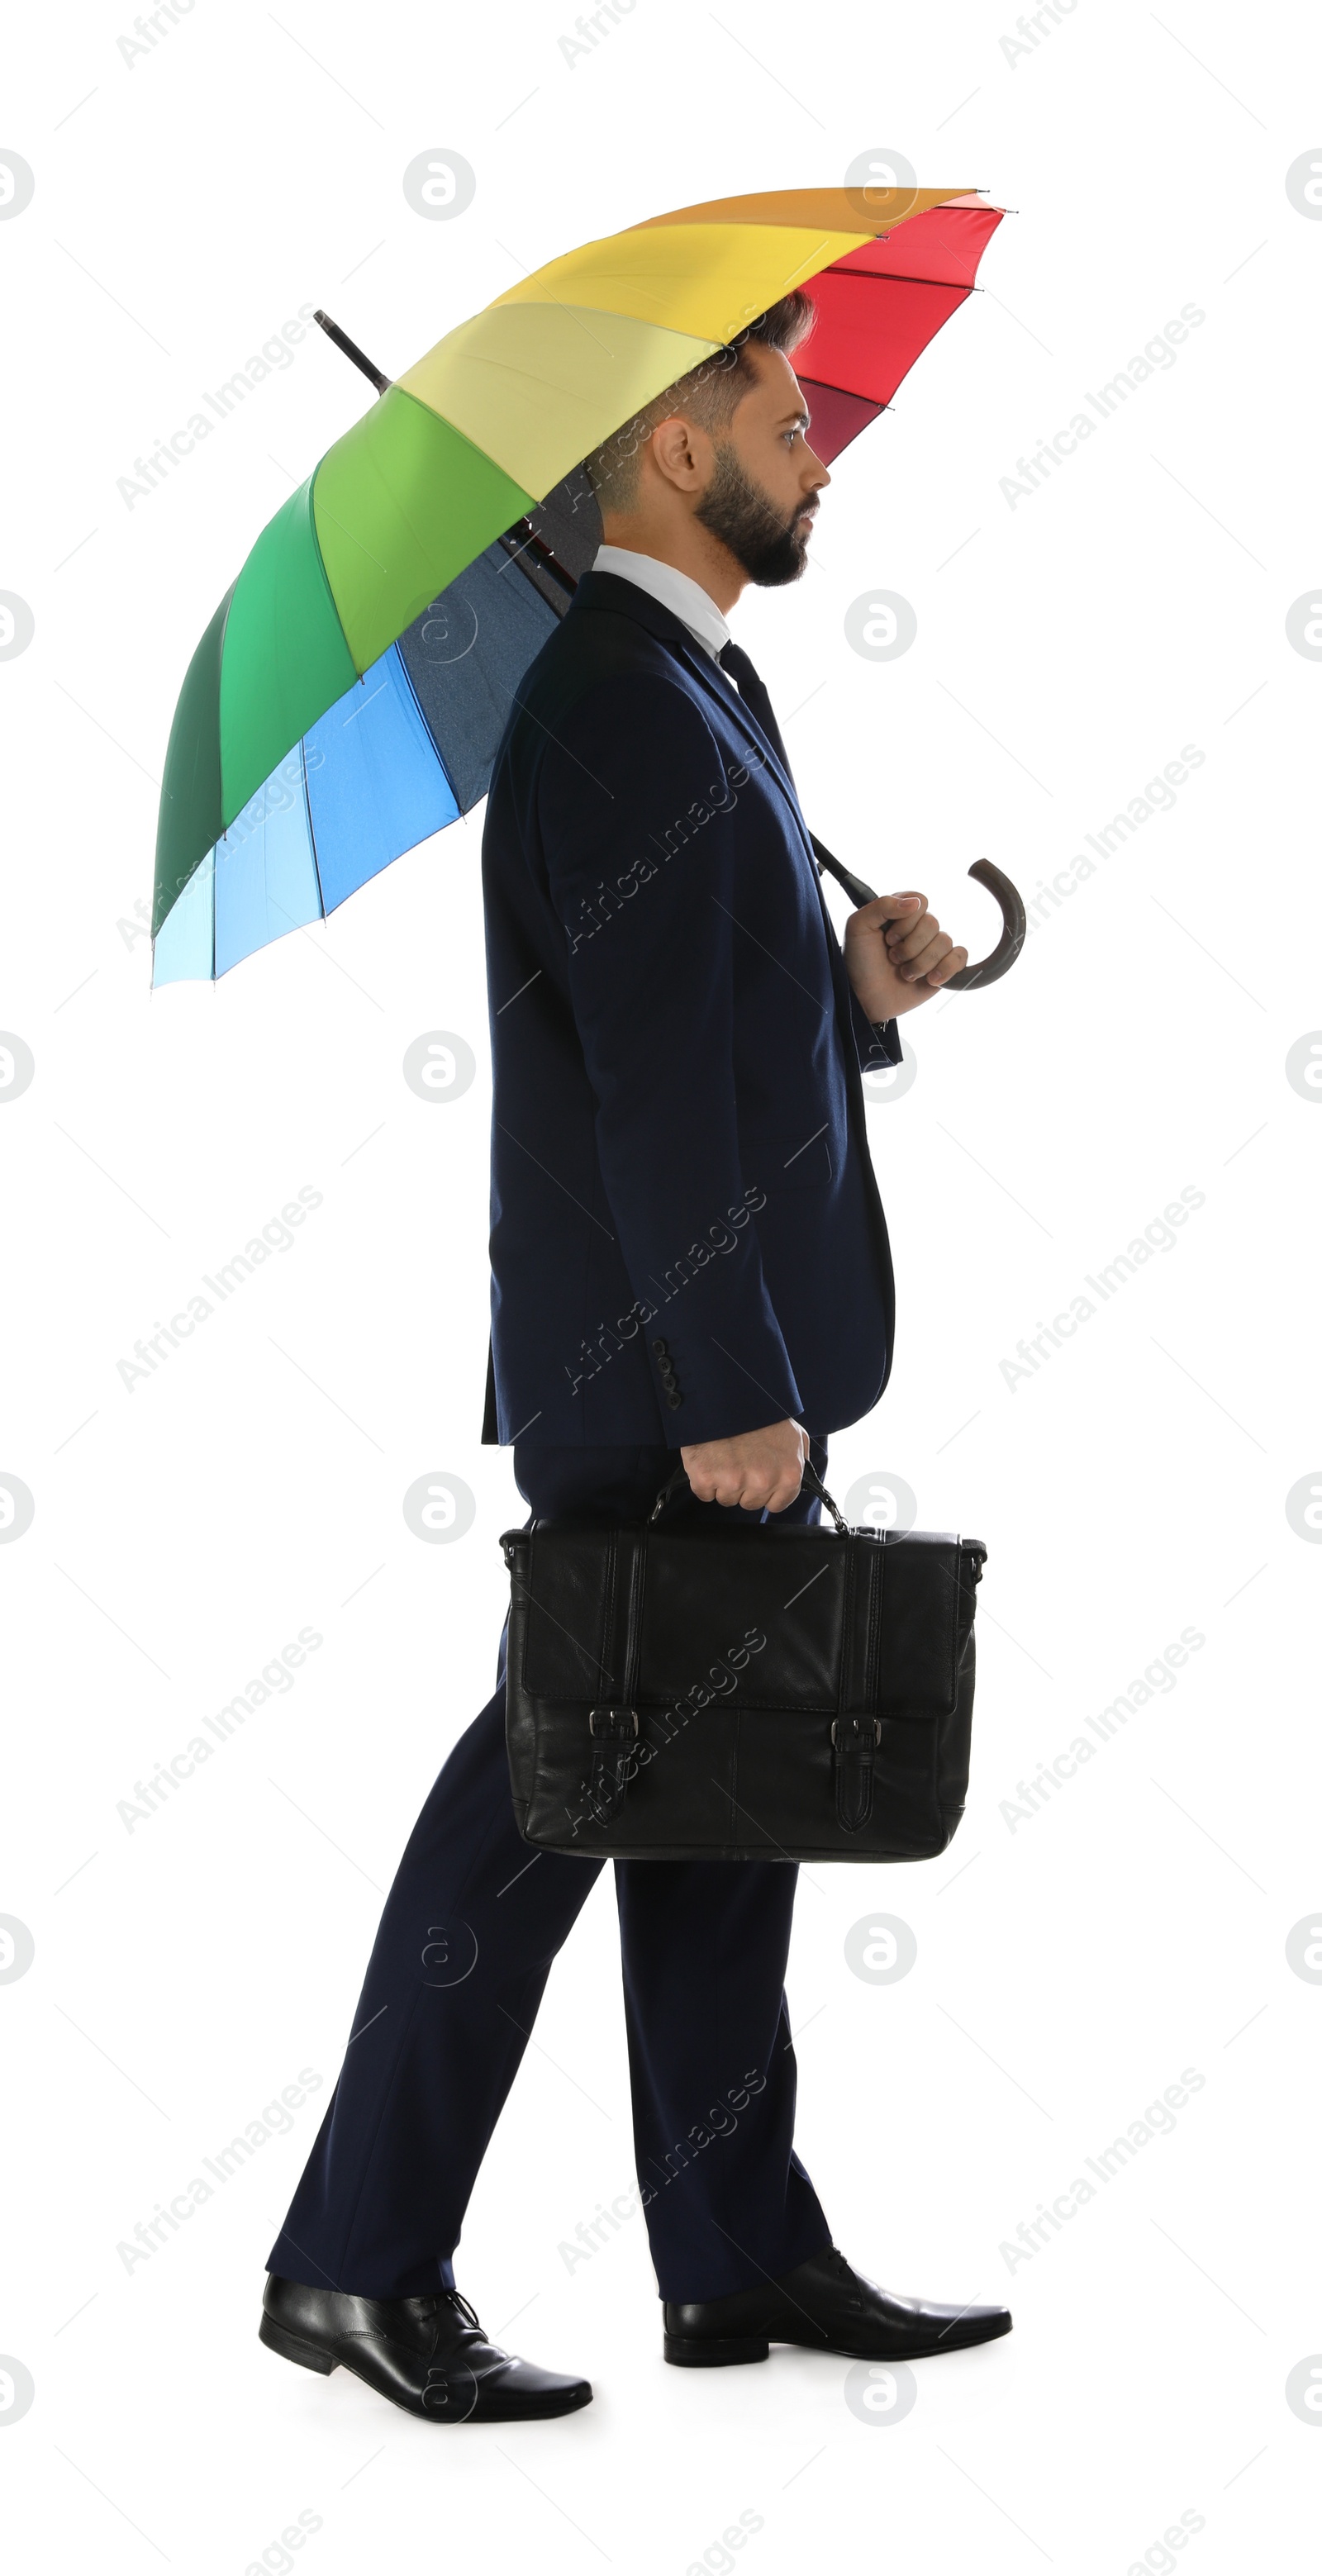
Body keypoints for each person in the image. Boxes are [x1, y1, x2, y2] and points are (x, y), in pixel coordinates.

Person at [259, 291, 1011, 2422]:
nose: (820, 448)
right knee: (538, 1807)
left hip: (707, 1350)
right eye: (784, 415)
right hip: (671, 1372)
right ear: (676, 448)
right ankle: (355, 2261)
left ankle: (737, 2252)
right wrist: (725, 1392)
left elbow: (707, 1021)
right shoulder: (626, 705)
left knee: (719, 1801)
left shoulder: (701, 689)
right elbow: (653, 1102)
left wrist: (854, 989)